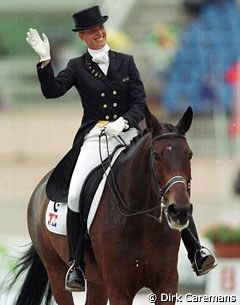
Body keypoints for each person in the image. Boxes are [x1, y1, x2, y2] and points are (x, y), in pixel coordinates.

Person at [26, 5, 216, 292]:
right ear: (83, 38)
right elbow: (51, 91)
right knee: (76, 191)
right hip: (95, 137)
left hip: (130, 135)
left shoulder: (126, 61)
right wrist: (44, 61)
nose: (98, 34)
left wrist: (125, 123)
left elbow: (140, 101)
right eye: (92, 32)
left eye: (100, 29)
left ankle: (195, 250)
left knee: (168, 181)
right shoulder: (77, 67)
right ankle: (77, 265)